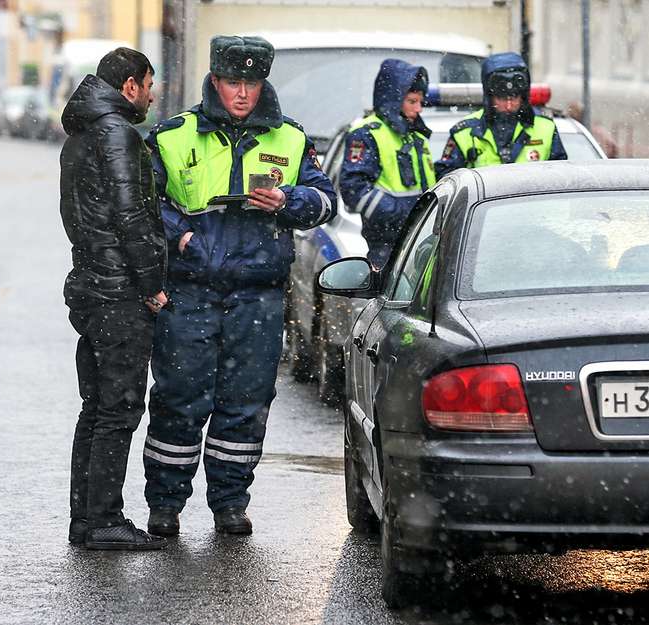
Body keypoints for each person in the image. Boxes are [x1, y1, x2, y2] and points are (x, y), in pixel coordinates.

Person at [142, 35, 336, 536]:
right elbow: (142, 203)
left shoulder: (290, 139)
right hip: (190, 292)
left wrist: (291, 201)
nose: (243, 93)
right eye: (233, 82)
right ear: (214, 80)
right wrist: (179, 234)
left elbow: (326, 201)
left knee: (246, 403)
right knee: (179, 399)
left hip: (258, 295)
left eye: (252, 82)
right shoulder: (173, 135)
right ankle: (165, 504)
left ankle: (230, 501)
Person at [59, 47, 168, 550]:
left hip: (90, 285)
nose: (152, 92)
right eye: (148, 83)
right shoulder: (118, 134)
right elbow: (131, 216)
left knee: (97, 407)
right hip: (118, 292)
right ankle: (103, 518)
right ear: (130, 86)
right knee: (119, 409)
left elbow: (82, 217)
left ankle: (86, 517)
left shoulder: (81, 134)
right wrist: (151, 286)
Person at [339, 59, 434, 268]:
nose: (418, 108)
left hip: (421, 239)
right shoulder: (366, 133)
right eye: (412, 101)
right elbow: (354, 189)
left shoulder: (416, 136)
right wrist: (404, 215)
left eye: (420, 101)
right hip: (386, 245)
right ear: (393, 99)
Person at [434, 52, 567, 176]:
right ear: (490, 97)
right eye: (502, 99)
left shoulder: (546, 127)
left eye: (514, 98)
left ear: (523, 96)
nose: (509, 105)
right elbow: (446, 180)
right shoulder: (464, 132)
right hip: (484, 201)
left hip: (532, 201)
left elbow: (561, 178)